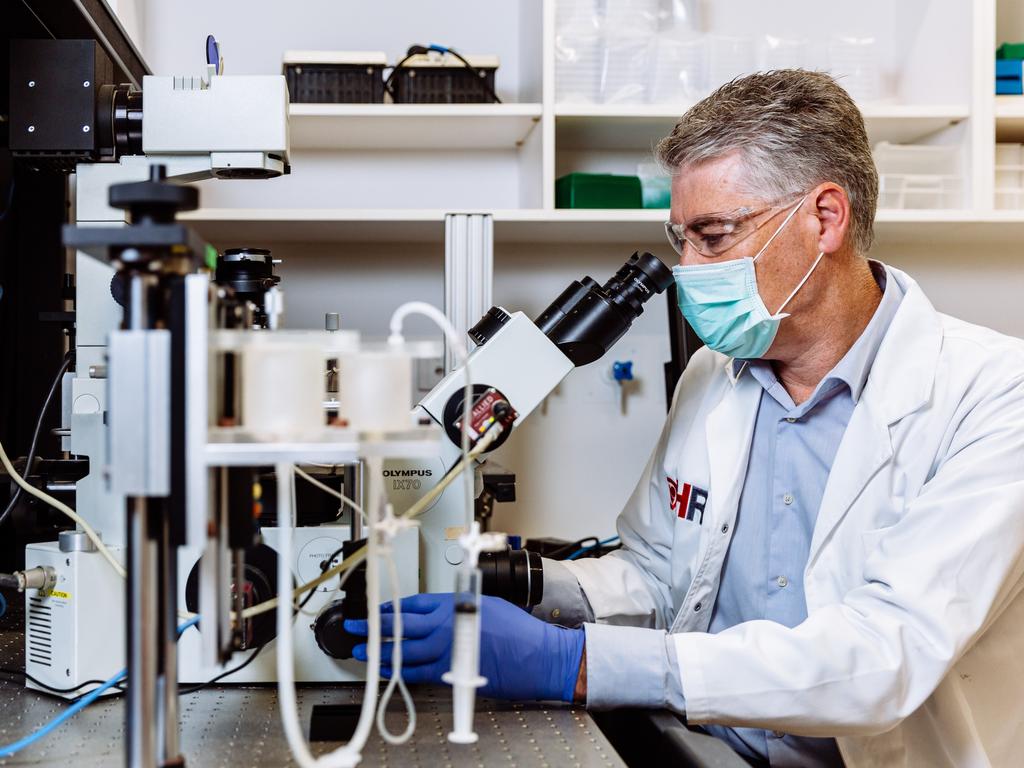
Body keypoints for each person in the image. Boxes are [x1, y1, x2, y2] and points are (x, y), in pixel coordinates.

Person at [346, 70, 1024, 767]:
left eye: (713, 235)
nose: (687, 268)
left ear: (825, 218)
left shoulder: (995, 394)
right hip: (712, 752)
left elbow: (885, 655)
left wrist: (572, 662)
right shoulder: (713, 376)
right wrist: (524, 585)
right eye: (681, 239)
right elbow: (659, 579)